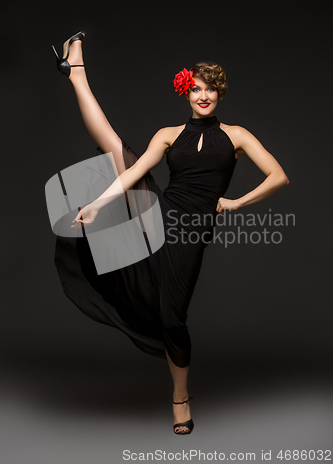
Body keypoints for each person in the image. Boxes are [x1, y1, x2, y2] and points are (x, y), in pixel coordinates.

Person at [52, 32, 289, 435]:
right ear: (186, 92)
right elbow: (132, 173)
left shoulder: (237, 136)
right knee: (115, 148)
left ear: (219, 94)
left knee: (171, 317)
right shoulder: (166, 134)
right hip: (160, 212)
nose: (203, 95)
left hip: (190, 230)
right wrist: (95, 205)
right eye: (196, 88)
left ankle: (180, 397)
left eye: (210, 89)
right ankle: (76, 73)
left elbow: (279, 177)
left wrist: (234, 203)